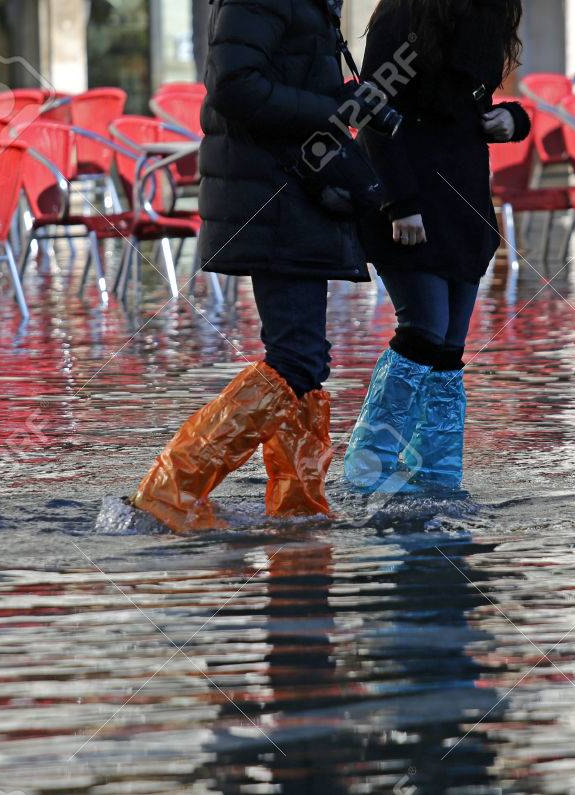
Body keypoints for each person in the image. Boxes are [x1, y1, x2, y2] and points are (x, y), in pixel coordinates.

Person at [129, 0, 396, 531]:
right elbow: (234, 87)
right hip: (273, 192)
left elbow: (278, 80)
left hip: (290, 188)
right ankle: (171, 489)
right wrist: (332, 108)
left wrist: (340, 99)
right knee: (296, 359)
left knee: (305, 359)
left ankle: (298, 509)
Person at [342, 0, 531, 495]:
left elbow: (471, 102)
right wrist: (400, 203)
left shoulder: (486, 14)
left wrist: (511, 120)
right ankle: (369, 466)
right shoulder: (401, 14)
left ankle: (437, 473)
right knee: (423, 331)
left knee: (449, 349)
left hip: (464, 196)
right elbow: (373, 112)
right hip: (407, 195)